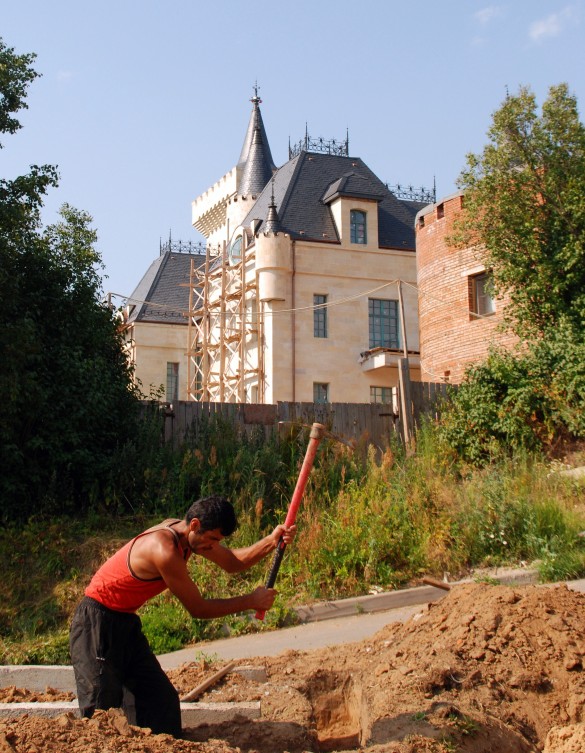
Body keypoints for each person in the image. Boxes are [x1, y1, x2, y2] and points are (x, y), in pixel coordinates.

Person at [69, 495, 296, 737]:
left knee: (160, 702)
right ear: (195, 524)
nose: (213, 546)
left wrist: (271, 541)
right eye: (212, 540)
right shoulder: (164, 550)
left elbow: (232, 562)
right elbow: (198, 609)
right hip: (96, 624)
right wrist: (251, 601)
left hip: (125, 623)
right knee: (101, 713)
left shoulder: (189, 535)